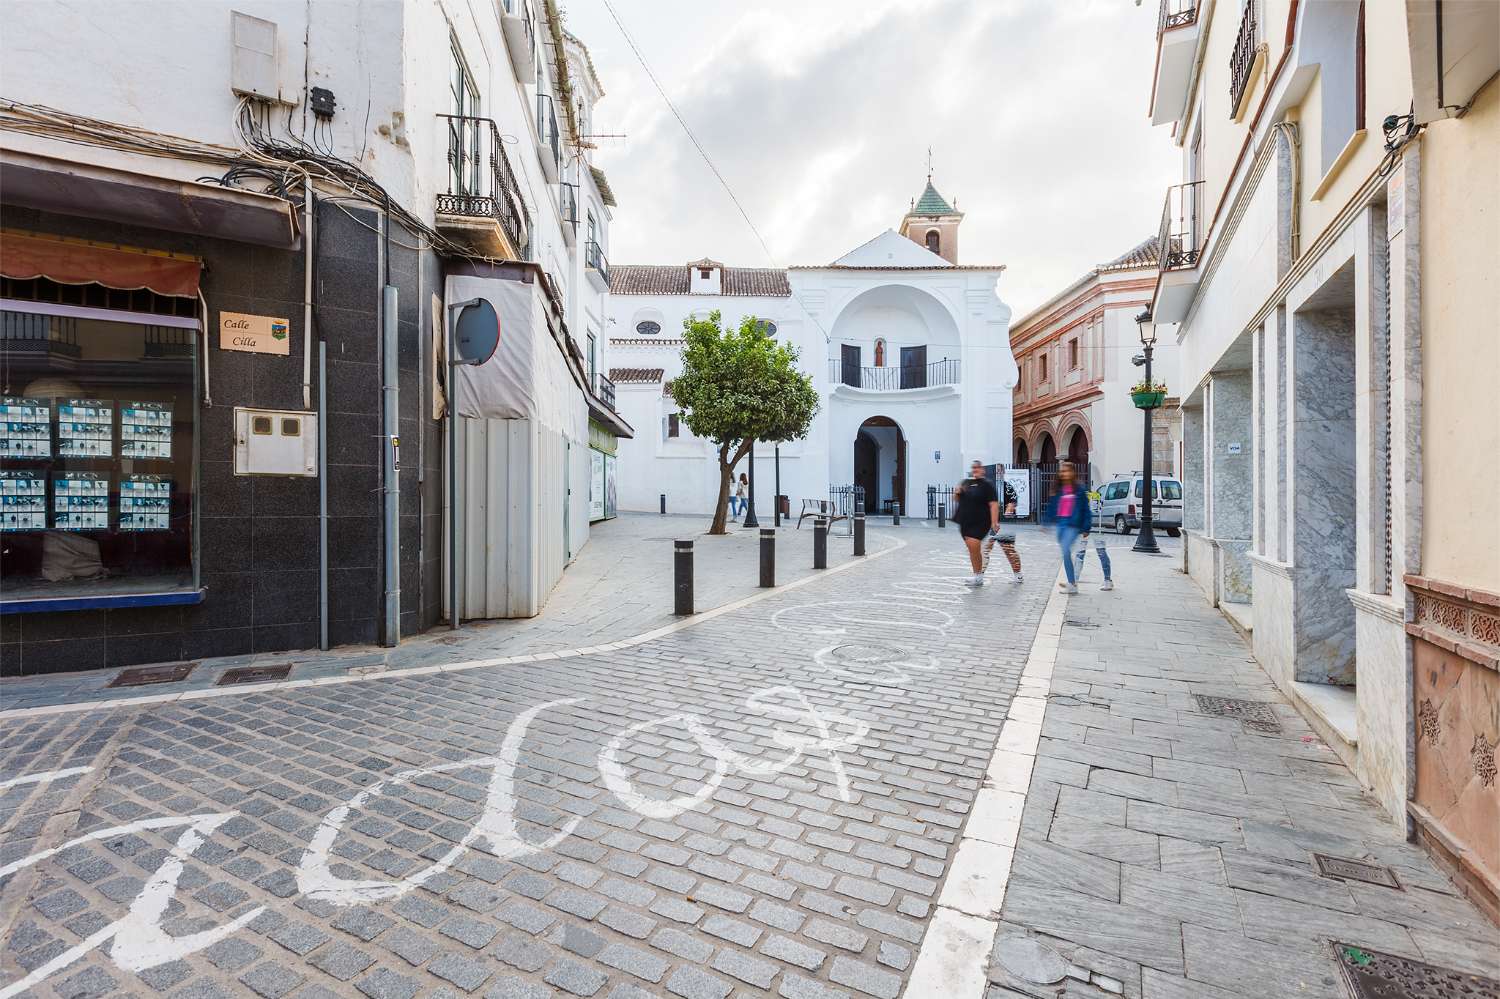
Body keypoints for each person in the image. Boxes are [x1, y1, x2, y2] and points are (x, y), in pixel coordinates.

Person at [1045, 463, 1092, 595]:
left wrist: (1086, 527)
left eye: (1066, 471)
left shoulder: (1079, 489)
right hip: (1061, 525)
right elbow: (1052, 507)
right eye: (1062, 471)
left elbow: (1086, 510)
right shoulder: (1059, 489)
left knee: (1066, 550)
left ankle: (1072, 584)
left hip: (1073, 525)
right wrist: (1046, 523)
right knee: (1065, 553)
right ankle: (1071, 582)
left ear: (1072, 472)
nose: (1064, 473)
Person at [952, 459, 1000, 587]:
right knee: (972, 549)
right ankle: (977, 575)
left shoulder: (987, 485)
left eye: (978, 468)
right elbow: (957, 499)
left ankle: (978, 576)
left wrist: (994, 522)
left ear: (982, 470)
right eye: (973, 468)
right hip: (965, 521)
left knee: (974, 546)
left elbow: (994, 504)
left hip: (981, 521)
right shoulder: (966, 483)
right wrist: (957, 493)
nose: (975, 470)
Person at [983, 465, 1024, 584]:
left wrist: (1009, 508)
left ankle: (1018, 575)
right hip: (991, 523)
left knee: (1009, 549)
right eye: (997, 471)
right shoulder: (988, 488)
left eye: (1001, 471)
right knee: (985, 549)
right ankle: (979, 575)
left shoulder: (1007, 487)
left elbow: (1013, 501)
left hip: (1006, 523)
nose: (999, 473)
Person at [1074, 486, 1114, 590]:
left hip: (1085, 530)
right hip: (1098, 527)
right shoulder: (1096, 496)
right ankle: (1107, 580)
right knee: (1102, 553)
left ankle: (1074, 581)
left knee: (1080, 555)